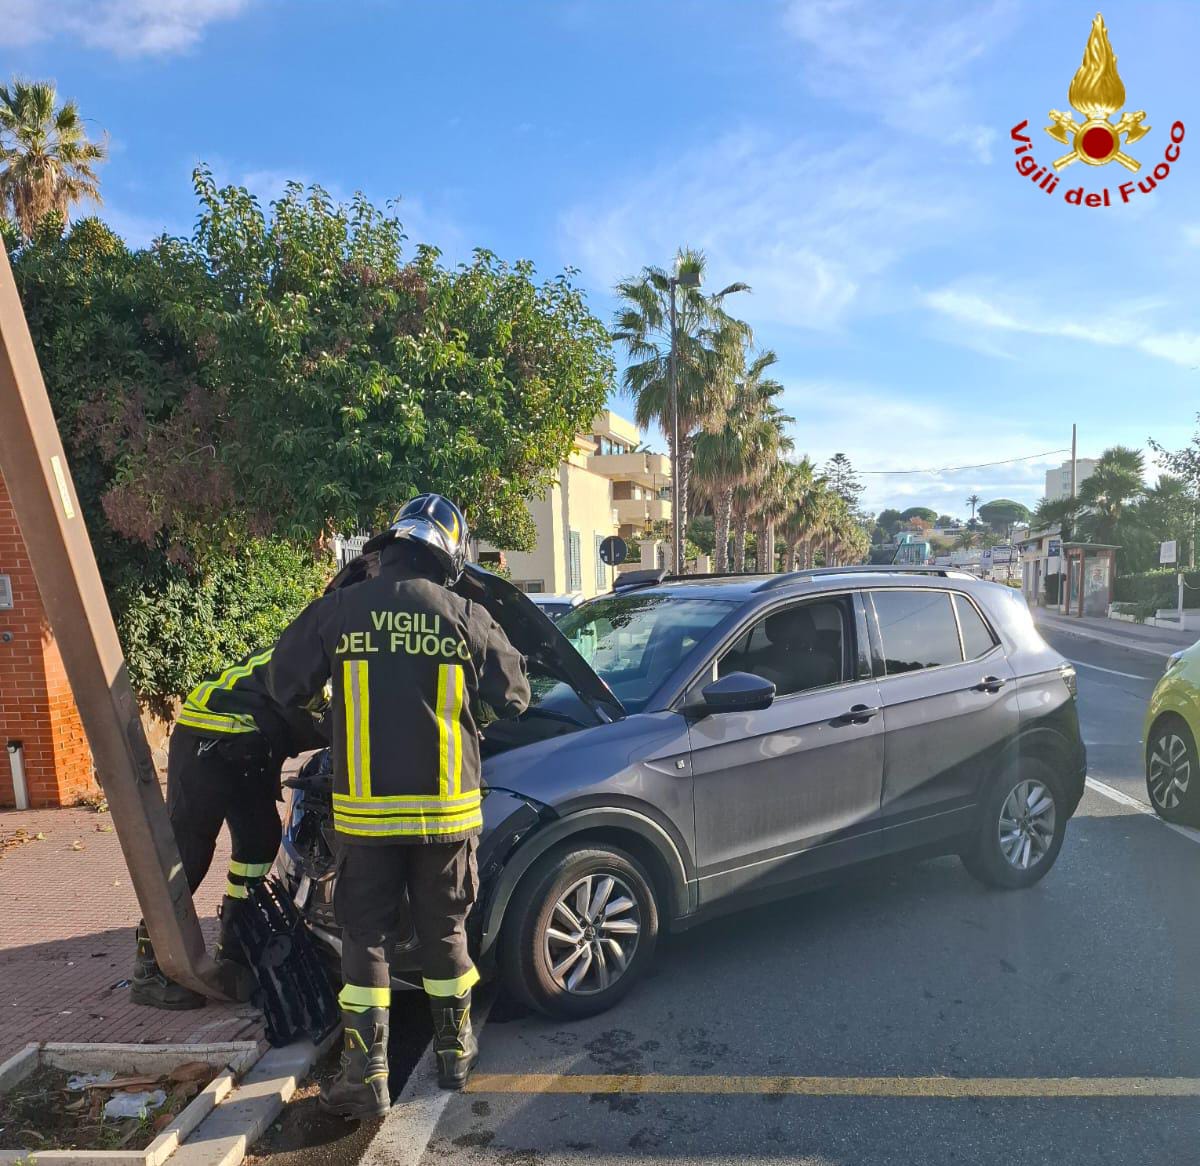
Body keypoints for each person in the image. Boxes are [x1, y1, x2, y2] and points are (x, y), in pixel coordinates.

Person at [265, 493, 529, 1119]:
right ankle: (455, 1055)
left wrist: (330, 722)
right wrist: (472, 715)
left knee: (367, 939)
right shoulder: (465, 612)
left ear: (388, 548)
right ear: (449, 557)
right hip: (447, 815)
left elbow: (281, 682)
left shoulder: (340, 610)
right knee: (447, 932)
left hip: (365, 818)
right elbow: (516, 695)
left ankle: (368, 1077)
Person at [129, 651, 328, 1010]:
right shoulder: (324, 651)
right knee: (189, 850)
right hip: (211, 730)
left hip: (255, 742)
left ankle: (235, 944)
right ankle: (150, 965)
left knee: (259, 842)